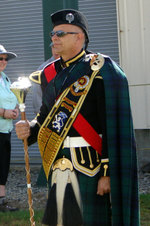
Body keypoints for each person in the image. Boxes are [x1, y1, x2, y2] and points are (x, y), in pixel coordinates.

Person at [15, 9, 140, 226]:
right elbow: (46, 117)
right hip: (58, 162)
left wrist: (107, 173)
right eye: (53, 33)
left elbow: (112, 126)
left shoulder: (100, 70)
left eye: (61, 33)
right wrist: (30, 128)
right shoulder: (48, 74)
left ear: (79, 37)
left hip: (91, 165)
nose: (54, 38)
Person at [0, 44, 19, 212]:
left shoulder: (5, 78)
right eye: (1, 58)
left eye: (5, 59)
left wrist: (15, 110)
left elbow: (13, 99)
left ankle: (1, 202)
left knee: (3, 165)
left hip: (5, 129)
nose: (4, 61)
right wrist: (4, 112)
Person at [30, 43, 60, 115]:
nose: (55, 51)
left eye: (58, 47)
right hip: (49, 116)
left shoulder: (74, 66)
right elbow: (37, 95)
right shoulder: (43, 69)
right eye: (53, 47)